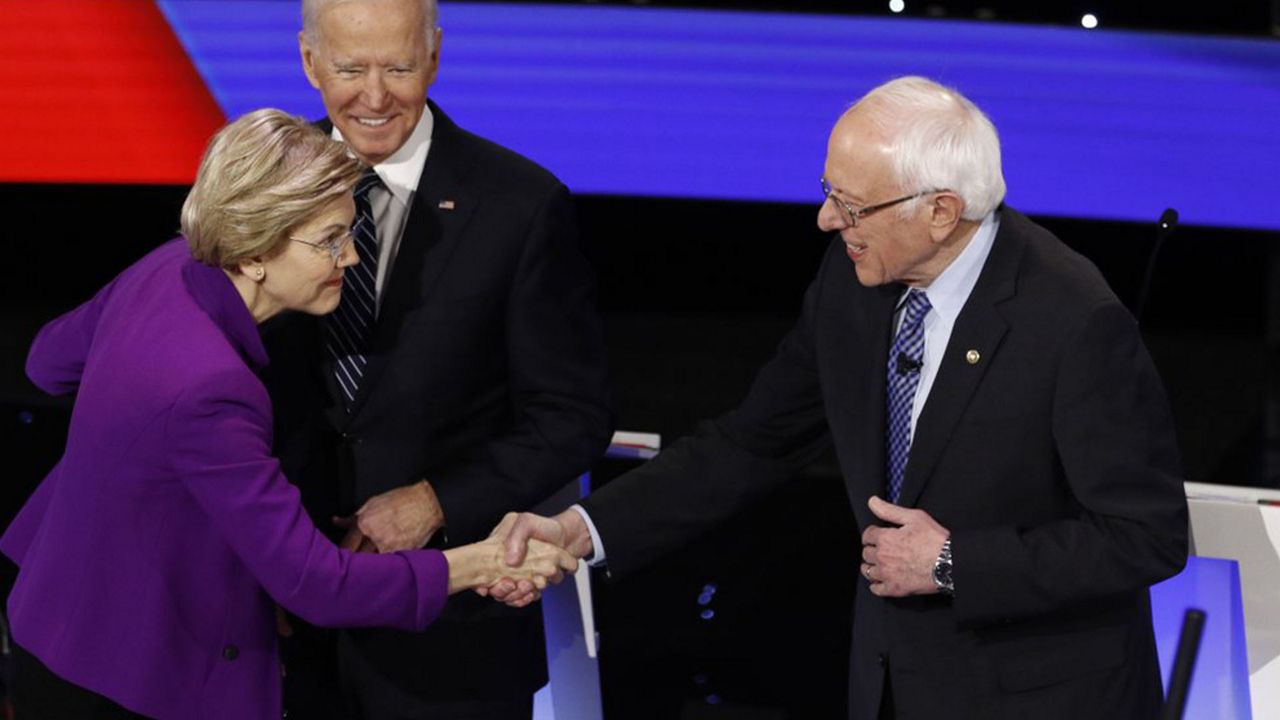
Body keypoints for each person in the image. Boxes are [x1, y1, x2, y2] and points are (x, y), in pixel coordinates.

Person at [492, 76, 1190, 719]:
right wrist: (581, 530)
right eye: (828, 191)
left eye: (849, 204)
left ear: (941, 212)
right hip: (891, 684)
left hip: (1039, 698)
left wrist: (955, 564)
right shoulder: (855, 281)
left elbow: (1144, 536)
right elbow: (754, 441)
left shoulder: (1072, 319)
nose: (827, 221)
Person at [0, 109, 576, 720]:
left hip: (54, 616)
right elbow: (319, 584)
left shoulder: (166, 268)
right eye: (330, 240)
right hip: (129, 679)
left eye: (349, 232)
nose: (350, 258)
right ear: (254, 254)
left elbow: (47, 364)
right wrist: (479, 562)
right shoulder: (208, 388)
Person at [262, 0, 613, 717]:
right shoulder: (261, 190)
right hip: (280, 624)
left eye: (397, 66)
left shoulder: (519, 204)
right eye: (349, 68)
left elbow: (572, 414)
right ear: (307, 62)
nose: (374, 95)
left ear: (435, 56)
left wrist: (435, 502)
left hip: (448, 640)